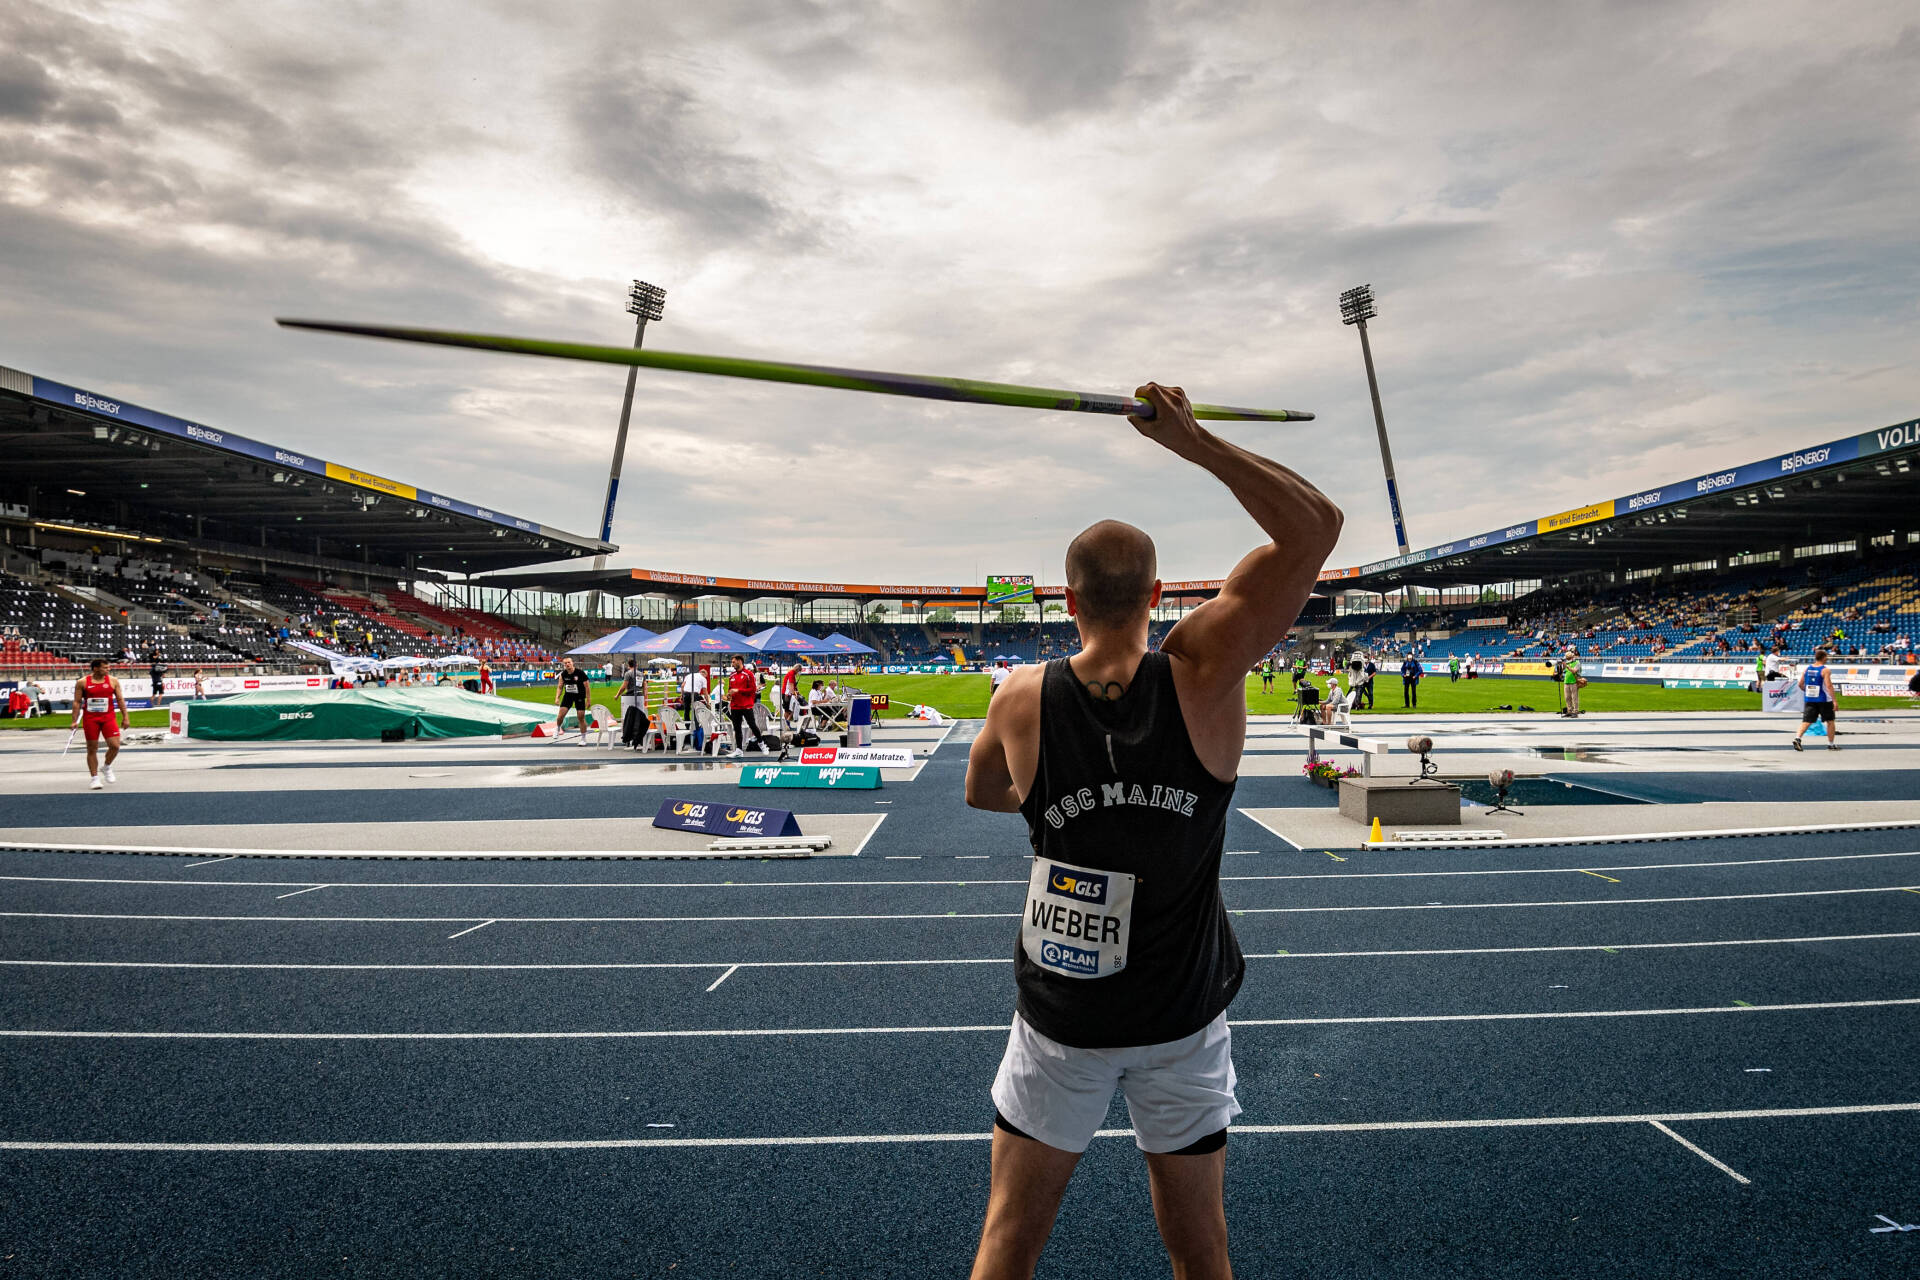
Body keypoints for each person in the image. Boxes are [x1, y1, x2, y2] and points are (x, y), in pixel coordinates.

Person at [962, 382, 1342, 1280]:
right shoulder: (1206, 673)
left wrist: (1064, 799)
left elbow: (985, 792)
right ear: (1158, 595)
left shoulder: (1020, 697)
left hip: (1062, 1020)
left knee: (1009, 1241)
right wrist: (1192, 441)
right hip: (1180, 1021)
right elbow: (1315, 528)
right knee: (1200, 1250)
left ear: (1068, 601)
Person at [71, 658, 129, 790]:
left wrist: (125, 717)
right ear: (96, 668)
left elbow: (120, 699)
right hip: (91, 719)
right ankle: (94, 778)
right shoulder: (82, 682)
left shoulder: (113, 681)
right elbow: (77, 702)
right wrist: (74, 720)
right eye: (105, 667)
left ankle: (107, 766)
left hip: (108, 717)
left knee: (115, 746)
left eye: (108, 667)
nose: (108, 669)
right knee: (92, 748)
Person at [1792, 647, 1839, 751]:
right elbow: (1829, 685)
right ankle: (1831, 744)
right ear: (1823, 657)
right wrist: (1834, 701)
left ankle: (1797, 738)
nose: (1827, 659)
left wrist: (1808, 692)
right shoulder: (1825, 670)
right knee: (1830, 721)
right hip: (1824, 700)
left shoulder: (1807, 669)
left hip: (1810, 699)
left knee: (1807, 721)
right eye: (1826, 657)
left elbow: (1800, 684)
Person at [725, 655, 769, 753]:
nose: (732, 664)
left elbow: (753, 690)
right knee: (737, 728)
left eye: (733, 662)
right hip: (735, 705)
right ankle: (739, 750)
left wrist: (738, 690)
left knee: (752, 725)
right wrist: (729, 695)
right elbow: (730, 689)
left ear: (740, 661)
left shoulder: (748, 674)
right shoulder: (732, 675)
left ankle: (762, 744)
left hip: (746, 705)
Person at [554, 656, 591, 740]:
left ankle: (583, 738)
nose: (567, 664)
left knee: (581, 717)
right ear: (564, 665)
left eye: (569, 662)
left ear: (572, 663)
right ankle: (558, 728)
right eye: (565, 663)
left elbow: (587, 687)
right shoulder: (563, 674)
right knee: (560, 716)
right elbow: (560, 687)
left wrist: (588, 700)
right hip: (568, 696)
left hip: (579, 696)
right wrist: (557, 698)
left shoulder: (580, 673)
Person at [1559, 647, 1583, 717]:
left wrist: (1566, 666)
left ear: (1571, 657)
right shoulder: (1567, 663)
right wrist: (1561, 667)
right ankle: (1569, 711)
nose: (1567, 659)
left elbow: (1574, 671)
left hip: (1574, 681)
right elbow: (1562, 671)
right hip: (1566, 681)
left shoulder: (1577, 662)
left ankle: (1576, 711)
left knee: (1574, 697)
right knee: (1567, 697)